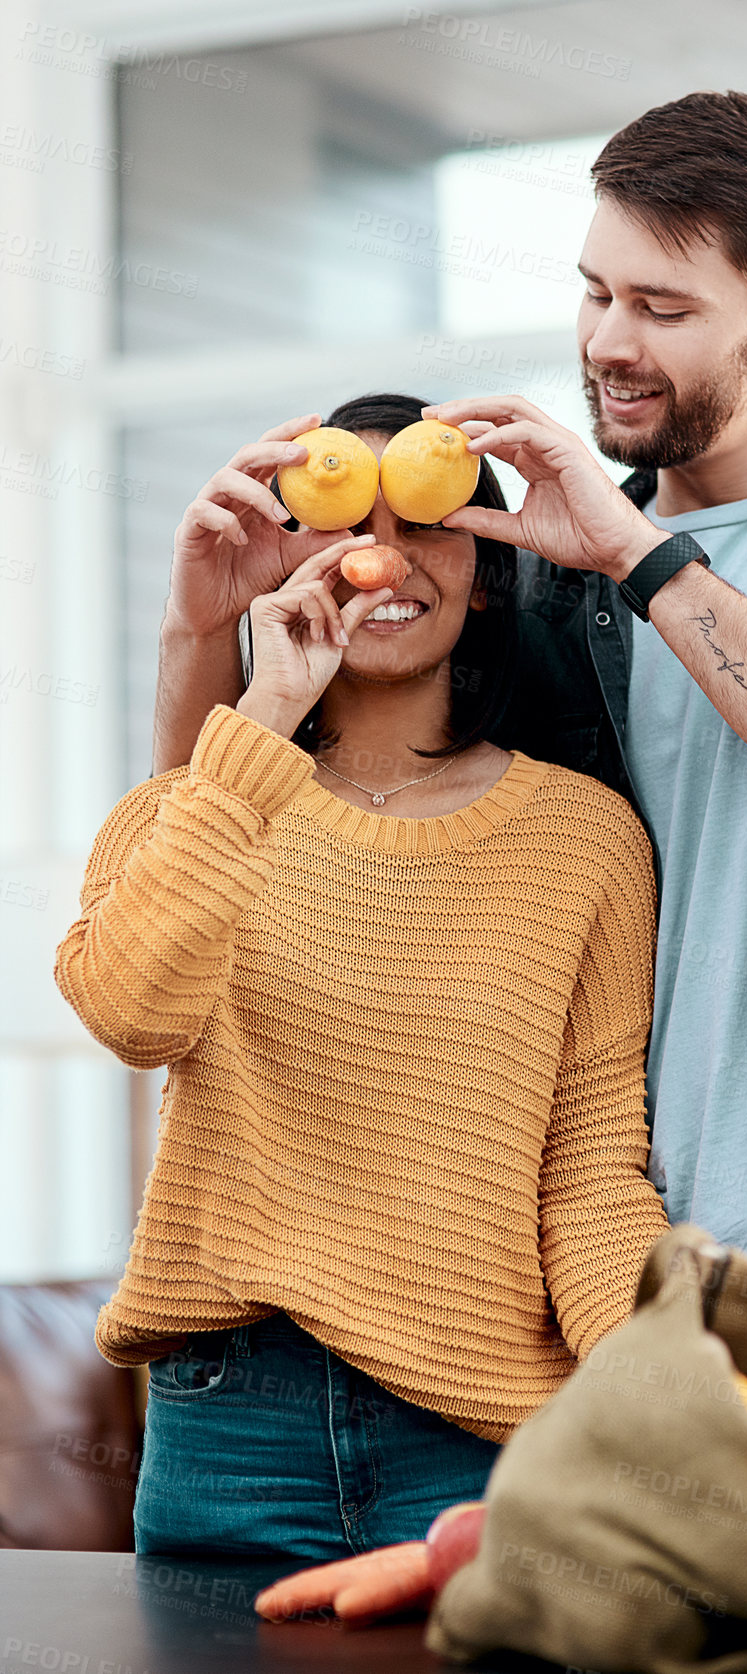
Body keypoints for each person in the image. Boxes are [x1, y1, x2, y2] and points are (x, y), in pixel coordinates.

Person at [154, 93, 747, 1610]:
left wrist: (643, 557)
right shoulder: (535, 584)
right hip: (614, 1319)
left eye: (663, 307)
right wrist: (205, 622)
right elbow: (264, 825)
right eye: (595, 292)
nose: (607, 340)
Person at [54, 390, 669, 1560]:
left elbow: (588, 1176)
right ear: (287, 551)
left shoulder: (583, 842)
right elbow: (132, 1014)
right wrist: (266, 698)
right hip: (230, 1425)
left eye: (427, 521)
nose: (380, 556)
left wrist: (663, 1379)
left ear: (488, 570)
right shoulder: (207, 803)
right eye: (341, 519)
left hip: (477, 1442)